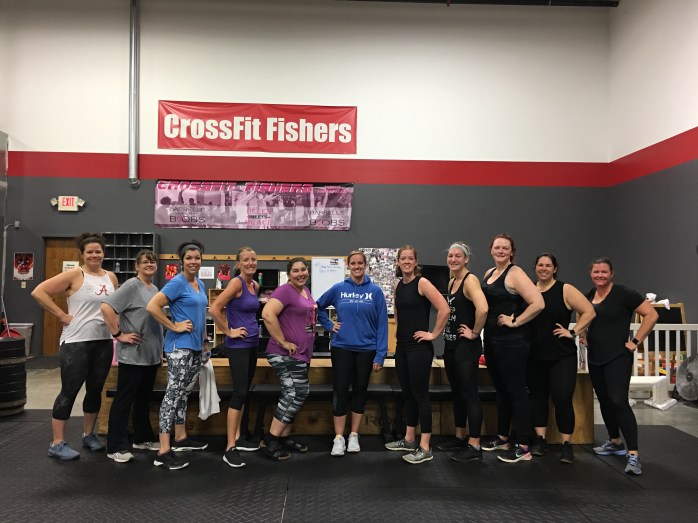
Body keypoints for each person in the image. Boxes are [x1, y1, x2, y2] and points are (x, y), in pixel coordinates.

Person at [31, 233, 118, 460]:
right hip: (76, 343)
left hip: (103, 341)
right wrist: (61, 315)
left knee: (95, 390)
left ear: (104, 253)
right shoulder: (74, 274)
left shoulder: (111, 277)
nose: (94, 255)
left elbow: (113, 308)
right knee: (69, 391)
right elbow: (39, 292)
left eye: (98, 251)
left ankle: (88, 435)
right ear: (82, 254)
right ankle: (57, 443)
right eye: (89, 252)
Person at [583, 257, 658, 475]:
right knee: (604, 400)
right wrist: (584, 334)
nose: (600, 275)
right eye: (596, 272)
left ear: (611, 273)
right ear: (591, 273)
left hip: (618, 356)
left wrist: (635, 341)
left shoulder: (625, 294)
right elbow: (585, 316)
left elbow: (652, 315)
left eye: (604, 272)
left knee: (618, 401)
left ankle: (633, 454)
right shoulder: (590, 294)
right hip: (595, 356)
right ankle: (615, 442)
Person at [316, 250, 389, 457]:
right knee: (340, 390)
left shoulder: (375, 291)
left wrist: (380, 354)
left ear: (365, 265)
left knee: (360, 390)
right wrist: (329, 325)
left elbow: (382, 324)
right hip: (342, 347)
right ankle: (339, 437)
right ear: (348, 266)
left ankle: (354, 435)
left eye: (360, 263)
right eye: (353, 263)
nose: (357, 266)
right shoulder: (339, 288)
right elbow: (318, 307)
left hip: (367, 349)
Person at [480, 234, 544, 463]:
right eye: (497, 247)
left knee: (516, 391)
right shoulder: (489, 273)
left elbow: (538, 303)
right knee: (501, 390)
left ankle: (524, 446)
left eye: (505, 248)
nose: (500, 251)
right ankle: (503, 438)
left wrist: (515, 321)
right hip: (492, 341)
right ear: (491, 249)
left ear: (512, 252)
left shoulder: (515, 273)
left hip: (513, 343)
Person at [146, 240, 209, 470]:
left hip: (195, 347)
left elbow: (201, 315)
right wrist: (174, 326)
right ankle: (163, 451)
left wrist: (205, 342)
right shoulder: (177, 283)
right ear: (181, 260)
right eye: (189, 258)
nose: (193, 261)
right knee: (172, 395)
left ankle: (181, 438)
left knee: (183, 393)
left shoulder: (200, 284)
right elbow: (152, 306)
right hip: (179, 347)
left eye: (197, 257)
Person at [527, 253, 596, 464]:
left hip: (561, 356)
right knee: (538, 398)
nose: (544, 268)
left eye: (548, 265)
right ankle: (540, 440)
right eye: (540, 265)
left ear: (555, 269)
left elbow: (589, 311)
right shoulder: (529, 289)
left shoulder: (565, 289)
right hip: (534, 355)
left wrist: (573, 332)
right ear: (535, 267)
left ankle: (566, 445)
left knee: (562, 399)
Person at [385, 245, 449, 464]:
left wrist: (433, 334)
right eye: (403, 258)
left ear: (415, 261)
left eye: (410, 258)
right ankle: (409, 439)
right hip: (402, 347)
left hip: (419, 348)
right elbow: (398, 312)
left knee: (420, 395)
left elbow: (444, 308)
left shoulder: (422, 283)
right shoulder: (398, 286)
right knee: (408, 394)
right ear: (398, 262)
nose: (406, 262)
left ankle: (425, 446)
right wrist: (397, 335)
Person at [101, 250, 163, 463]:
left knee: (143, 399)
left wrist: (159, 351)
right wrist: (118, 335)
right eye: (145, 262)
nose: (149, 265)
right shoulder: (131, 286)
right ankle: (115, 447)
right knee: (124, 399)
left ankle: (142, 438)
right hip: (133, 355)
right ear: (137, 266)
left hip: (150, 355)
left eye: (152, 262)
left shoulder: (154, 289)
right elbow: (106, 308)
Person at [209, 246, 262, 468]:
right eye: (246, 260)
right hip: (238, 346)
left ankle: (238, 438)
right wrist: (228, 331)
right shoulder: (236, 283)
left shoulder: (254, 285)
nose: (251, 263)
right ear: (238, 263)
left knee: (245, 392)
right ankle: (229, 447)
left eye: (253, 259)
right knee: (239, 393)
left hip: (252, 344)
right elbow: (214, 308)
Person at [260, 257, 316, 461]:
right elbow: (267, 314)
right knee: (297, 392)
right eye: (295, 270)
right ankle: (271, 440)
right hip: (285, 353)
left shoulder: (305, 291)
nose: (300, 273)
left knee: (290, 393)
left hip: (301, 354)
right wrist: (282, 341)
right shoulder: (284, 291)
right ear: (289, 274)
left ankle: (284, 438)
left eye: (303, 269)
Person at [437, 242, 488, 463]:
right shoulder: (452, 281)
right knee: (457, 392)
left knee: (469, 393)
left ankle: (475, 443)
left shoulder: (470, 280)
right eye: (450, 256)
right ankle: (460, 437)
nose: (453, 259)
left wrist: (475, 333)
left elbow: (483, 308)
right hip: (451, 345)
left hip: (466, 346)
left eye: (458, 256)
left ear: (466, 259)